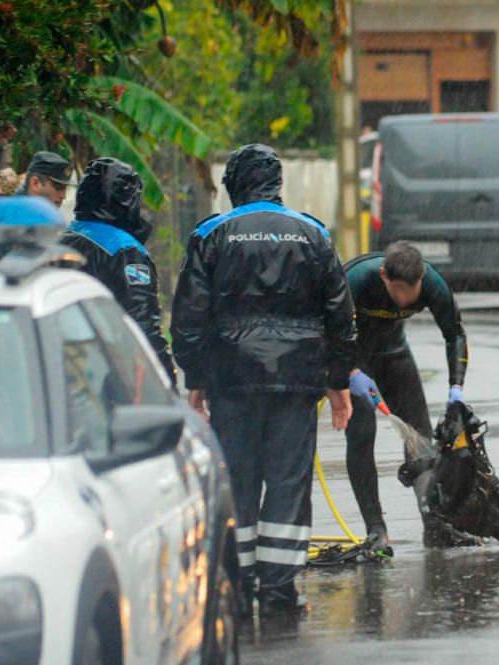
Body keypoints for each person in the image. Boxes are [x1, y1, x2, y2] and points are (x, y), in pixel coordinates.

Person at [171, 144, 356, 617]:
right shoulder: (313, 234)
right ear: (277, 184)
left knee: (238, 481)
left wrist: (198, 377)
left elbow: (189, 318)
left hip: (233, 381)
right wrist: (337, 380)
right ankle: (280, 593)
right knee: (289, 484)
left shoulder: (212, 234)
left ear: (233, 185)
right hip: (298, 381)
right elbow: (340, 315)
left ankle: (237, 586)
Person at [343, 242, 475, 552]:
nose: (406, 298)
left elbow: (454, 333)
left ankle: (435, 525)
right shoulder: (356, 279)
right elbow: (327, 328)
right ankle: (376, 531)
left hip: (394, 353)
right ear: (383, 276)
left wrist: (456, 387)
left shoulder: (431, 283)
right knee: (362, 434)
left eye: (412, 289)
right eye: (399, 289)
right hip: (354, 356)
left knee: (419, 436)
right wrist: (349, 372)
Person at [60, 157, 176, 385]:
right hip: (108, 372)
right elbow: (142, 321)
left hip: (60, 363)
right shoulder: (125, 250)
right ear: (128, 201)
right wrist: (165, 379)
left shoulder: (63, 240)